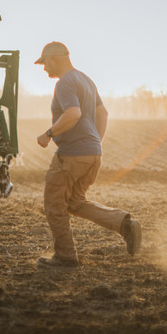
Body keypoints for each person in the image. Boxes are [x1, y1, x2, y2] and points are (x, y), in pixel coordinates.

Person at [34, 41, 141, 267]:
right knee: (74, 201)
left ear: (55, 58)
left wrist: (48, 133)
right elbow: (103, 114)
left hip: (72, 155)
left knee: (54, 204)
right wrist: (94, 143)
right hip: (93, 154)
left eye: (45, 63)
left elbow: (73, 113)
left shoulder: (65, 83)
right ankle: (124, 224)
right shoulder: (86, 80)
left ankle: (65, 256)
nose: (44, 68)